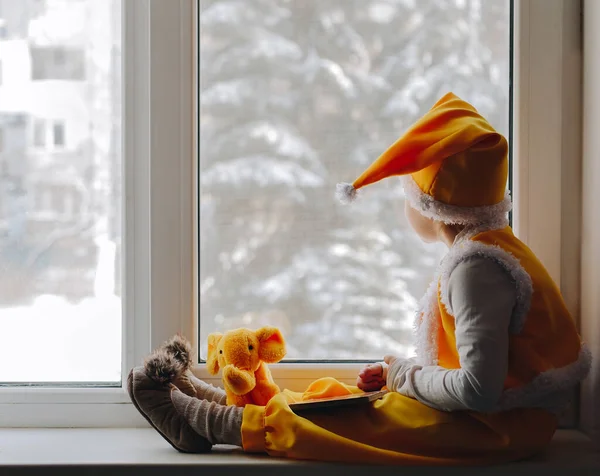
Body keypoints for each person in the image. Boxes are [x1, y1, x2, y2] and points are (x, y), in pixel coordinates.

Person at [128, 93, 591, 465]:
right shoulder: (491, 250)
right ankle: (229, 408)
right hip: (508, 421)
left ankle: (209, 424)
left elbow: (478, 391)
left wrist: (403, 375)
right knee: (345, 398)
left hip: (498, 430)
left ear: (432, 205)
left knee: (353, 422)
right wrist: (398, 375)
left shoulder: (476, 269)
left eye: (408, 190)